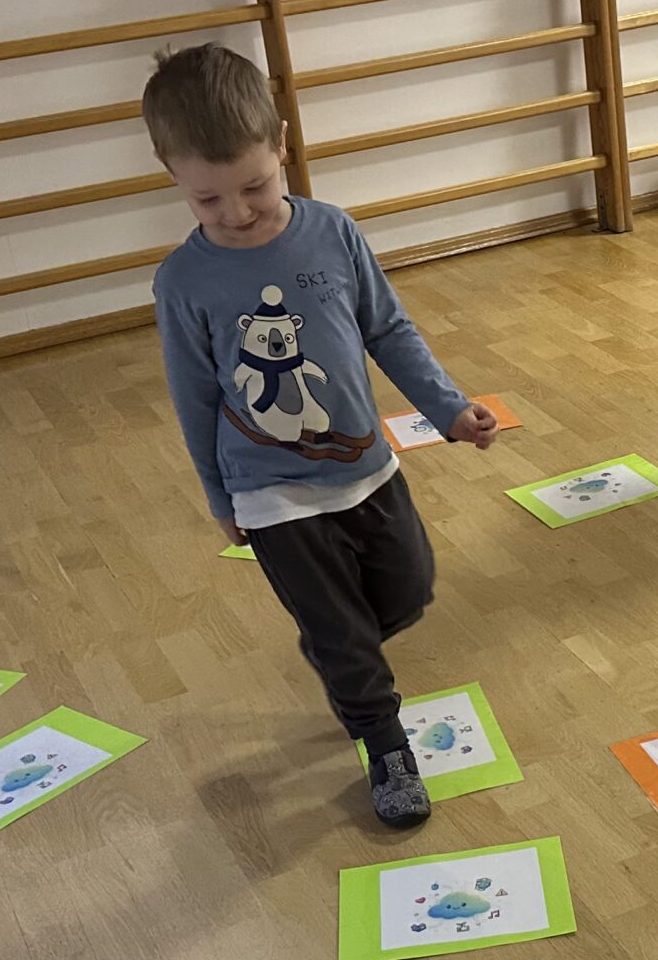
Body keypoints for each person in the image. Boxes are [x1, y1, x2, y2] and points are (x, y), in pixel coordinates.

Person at [144, 44, 498, 828]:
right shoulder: (183, 282)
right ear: (171, 175)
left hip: (367, 467)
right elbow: (193, 397)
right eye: (208, 199)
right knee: (347, 641)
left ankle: (339, 648)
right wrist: (219, 497)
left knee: (408, 591)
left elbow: (388, 329)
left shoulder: (332, 232)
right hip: (271, 494)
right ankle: (384, 742)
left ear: (281, 144)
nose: (237, 212)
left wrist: (447, 409)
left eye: (254, 187)